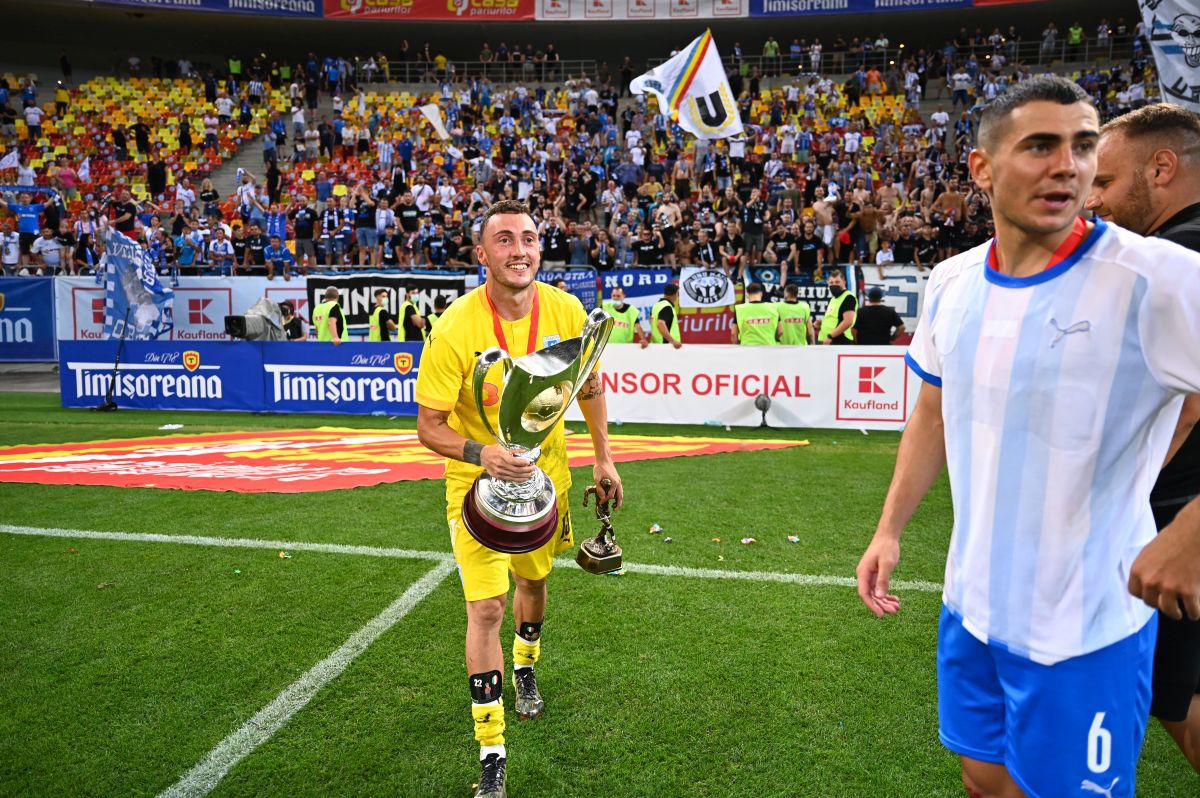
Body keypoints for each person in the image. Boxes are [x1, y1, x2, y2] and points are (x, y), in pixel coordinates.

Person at [855, 76, 1200, 798]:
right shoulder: (951, 282)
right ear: (982, 168)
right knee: (983, 778)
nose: (1066, 166)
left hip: (1087, 625)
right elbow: (933, 411)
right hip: (971, 605)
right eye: (1039, 146)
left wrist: (1191, 533)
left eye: (1081, 147)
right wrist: (889, 530)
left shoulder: (1159, 277)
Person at [414, 199, 623, 798]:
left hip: (546, 479)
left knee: (533, 583)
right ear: (483, 255)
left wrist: (603, 456)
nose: (519, 249)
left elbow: (591, 388)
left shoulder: (565, 309)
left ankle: (525, 667)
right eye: (503, 240)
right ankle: (492, 752)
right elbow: (429, 426)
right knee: (486, 609)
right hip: (476, 485)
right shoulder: (454, 327)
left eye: (528, 238)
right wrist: (481, 455)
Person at [1087, 102, 1200, 773]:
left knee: (1177, 702)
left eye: (1103, 181)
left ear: (1161, 168)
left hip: (1173, 527)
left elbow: (1185, 405)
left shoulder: (1173, 260)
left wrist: (1187, 528)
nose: (1092, 199)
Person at [816, 269, 855, 344]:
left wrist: (830, 336)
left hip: (838, 340)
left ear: (844, 282)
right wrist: (821, 323)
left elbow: (848, 321)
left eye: (837, 282)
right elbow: (835, 319)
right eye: (831, 282)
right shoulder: (833, 298)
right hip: (828, 340)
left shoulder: (848, 297)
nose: (834, 285)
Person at [650, 283, 681, 348]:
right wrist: (673, 341)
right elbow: (660, 323)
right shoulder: (667, 307)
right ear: (675, 294)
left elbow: (651, 320)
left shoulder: (656, 305)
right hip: (667, 347)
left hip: (657, 344)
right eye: (678, 294)